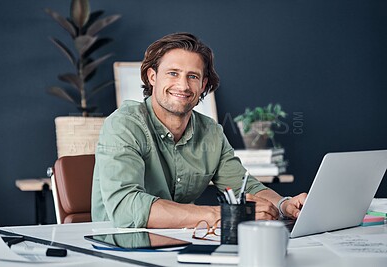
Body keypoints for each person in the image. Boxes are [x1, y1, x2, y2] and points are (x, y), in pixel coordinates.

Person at [91, 32, 307, 228]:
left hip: (178, 241)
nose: (183, 86)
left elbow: (244, 186)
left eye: (192, 76)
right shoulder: (123, 125)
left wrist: (283, 205)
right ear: (152, 77)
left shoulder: (211, 132)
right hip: (115, 243)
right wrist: (221, 215)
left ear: (203, 85)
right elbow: (125, 207)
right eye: (173, 73)